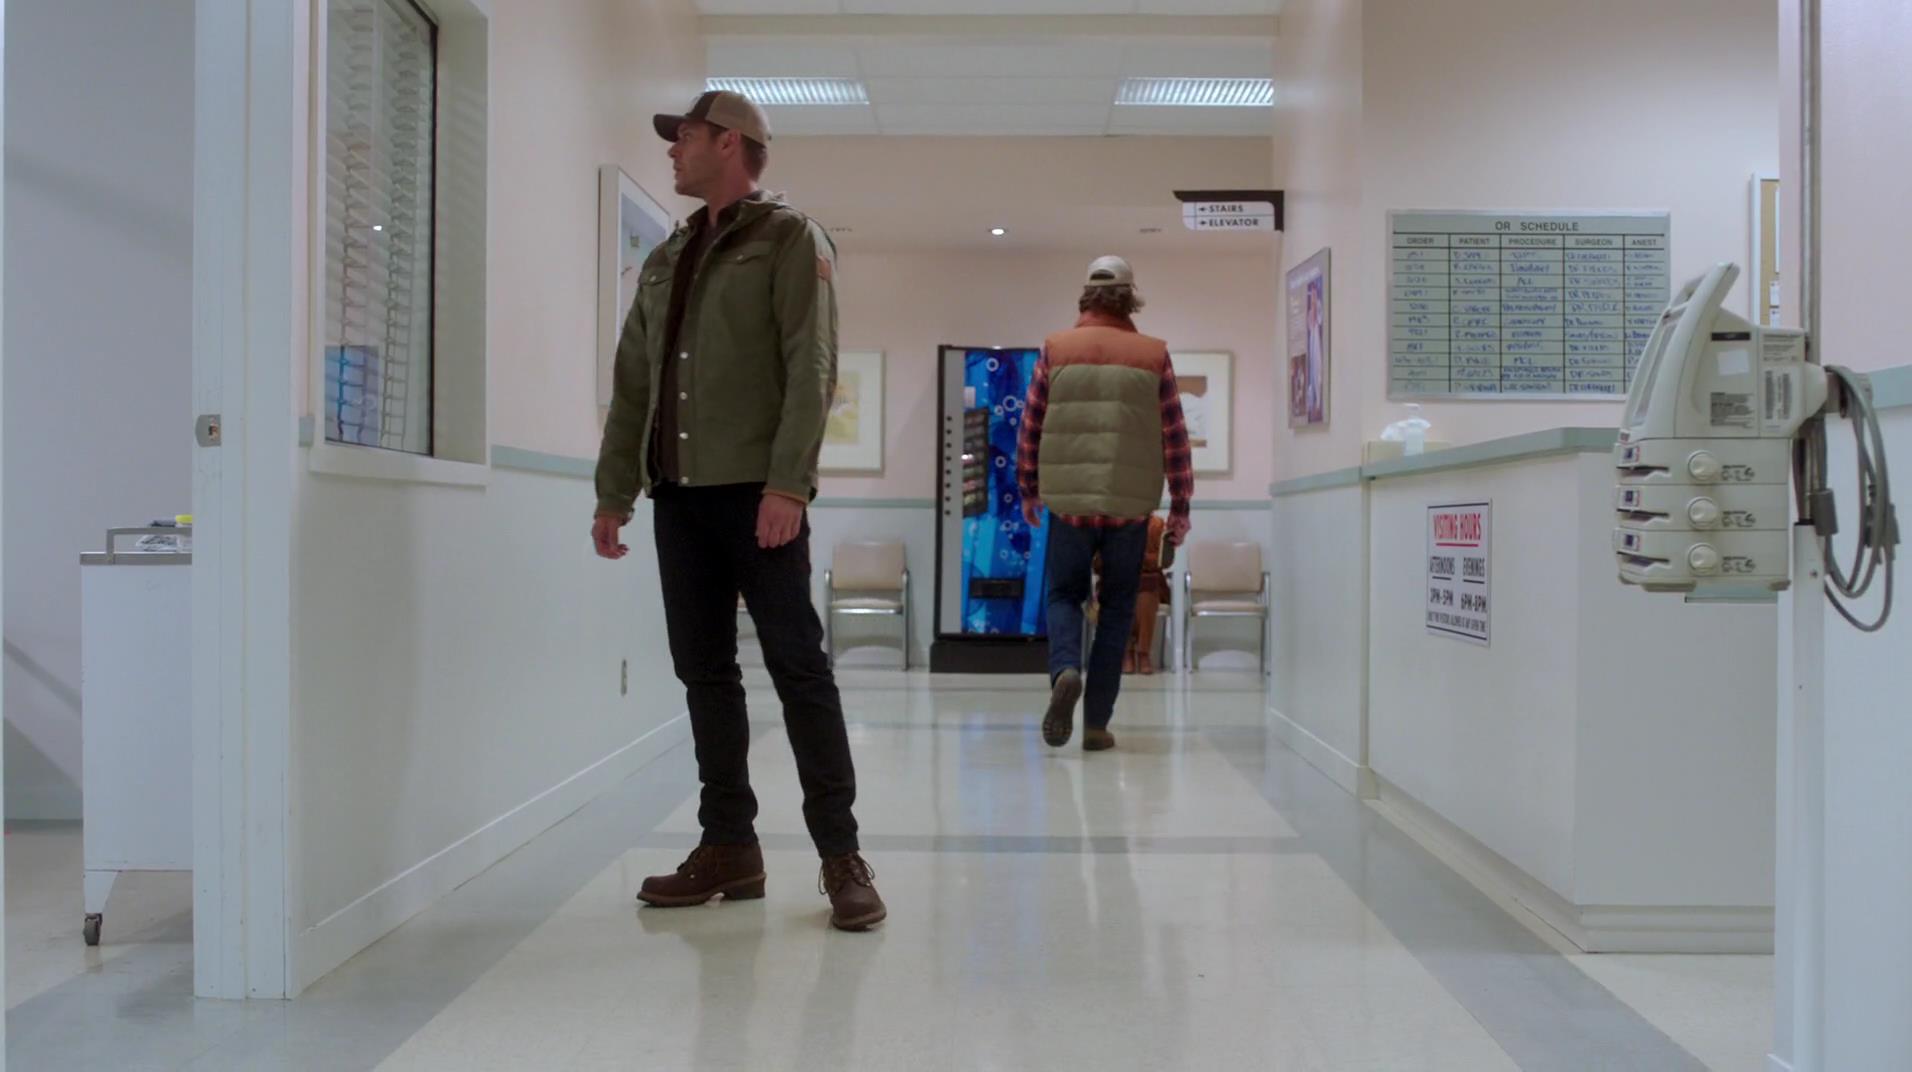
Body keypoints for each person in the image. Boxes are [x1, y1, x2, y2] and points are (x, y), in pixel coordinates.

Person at [592, 90, 885, 932]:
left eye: (683, 136)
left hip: (759, 497)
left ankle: (841, 856)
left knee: (798, 669)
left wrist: (789, 484)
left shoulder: (789, 239)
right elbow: (634, 381)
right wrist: (615, 490)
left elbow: (811, 363)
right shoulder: (668, 256)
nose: (671, 151)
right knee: (704, 673)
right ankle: (729, 846)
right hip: (678, 498)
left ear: (728, 143)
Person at [1019, 256, 1194, 751]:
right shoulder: (1153, 354)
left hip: (1069, 501)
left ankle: (1065, 670)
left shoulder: (1057, 348)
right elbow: (1174, 434)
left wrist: (1029, 487)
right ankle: (1096, 724)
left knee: (1063, 595)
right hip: (1129, 504)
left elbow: (1032, 422)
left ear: (1086, 297)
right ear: (1130, 299)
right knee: (1117, 607)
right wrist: (1180, 507)